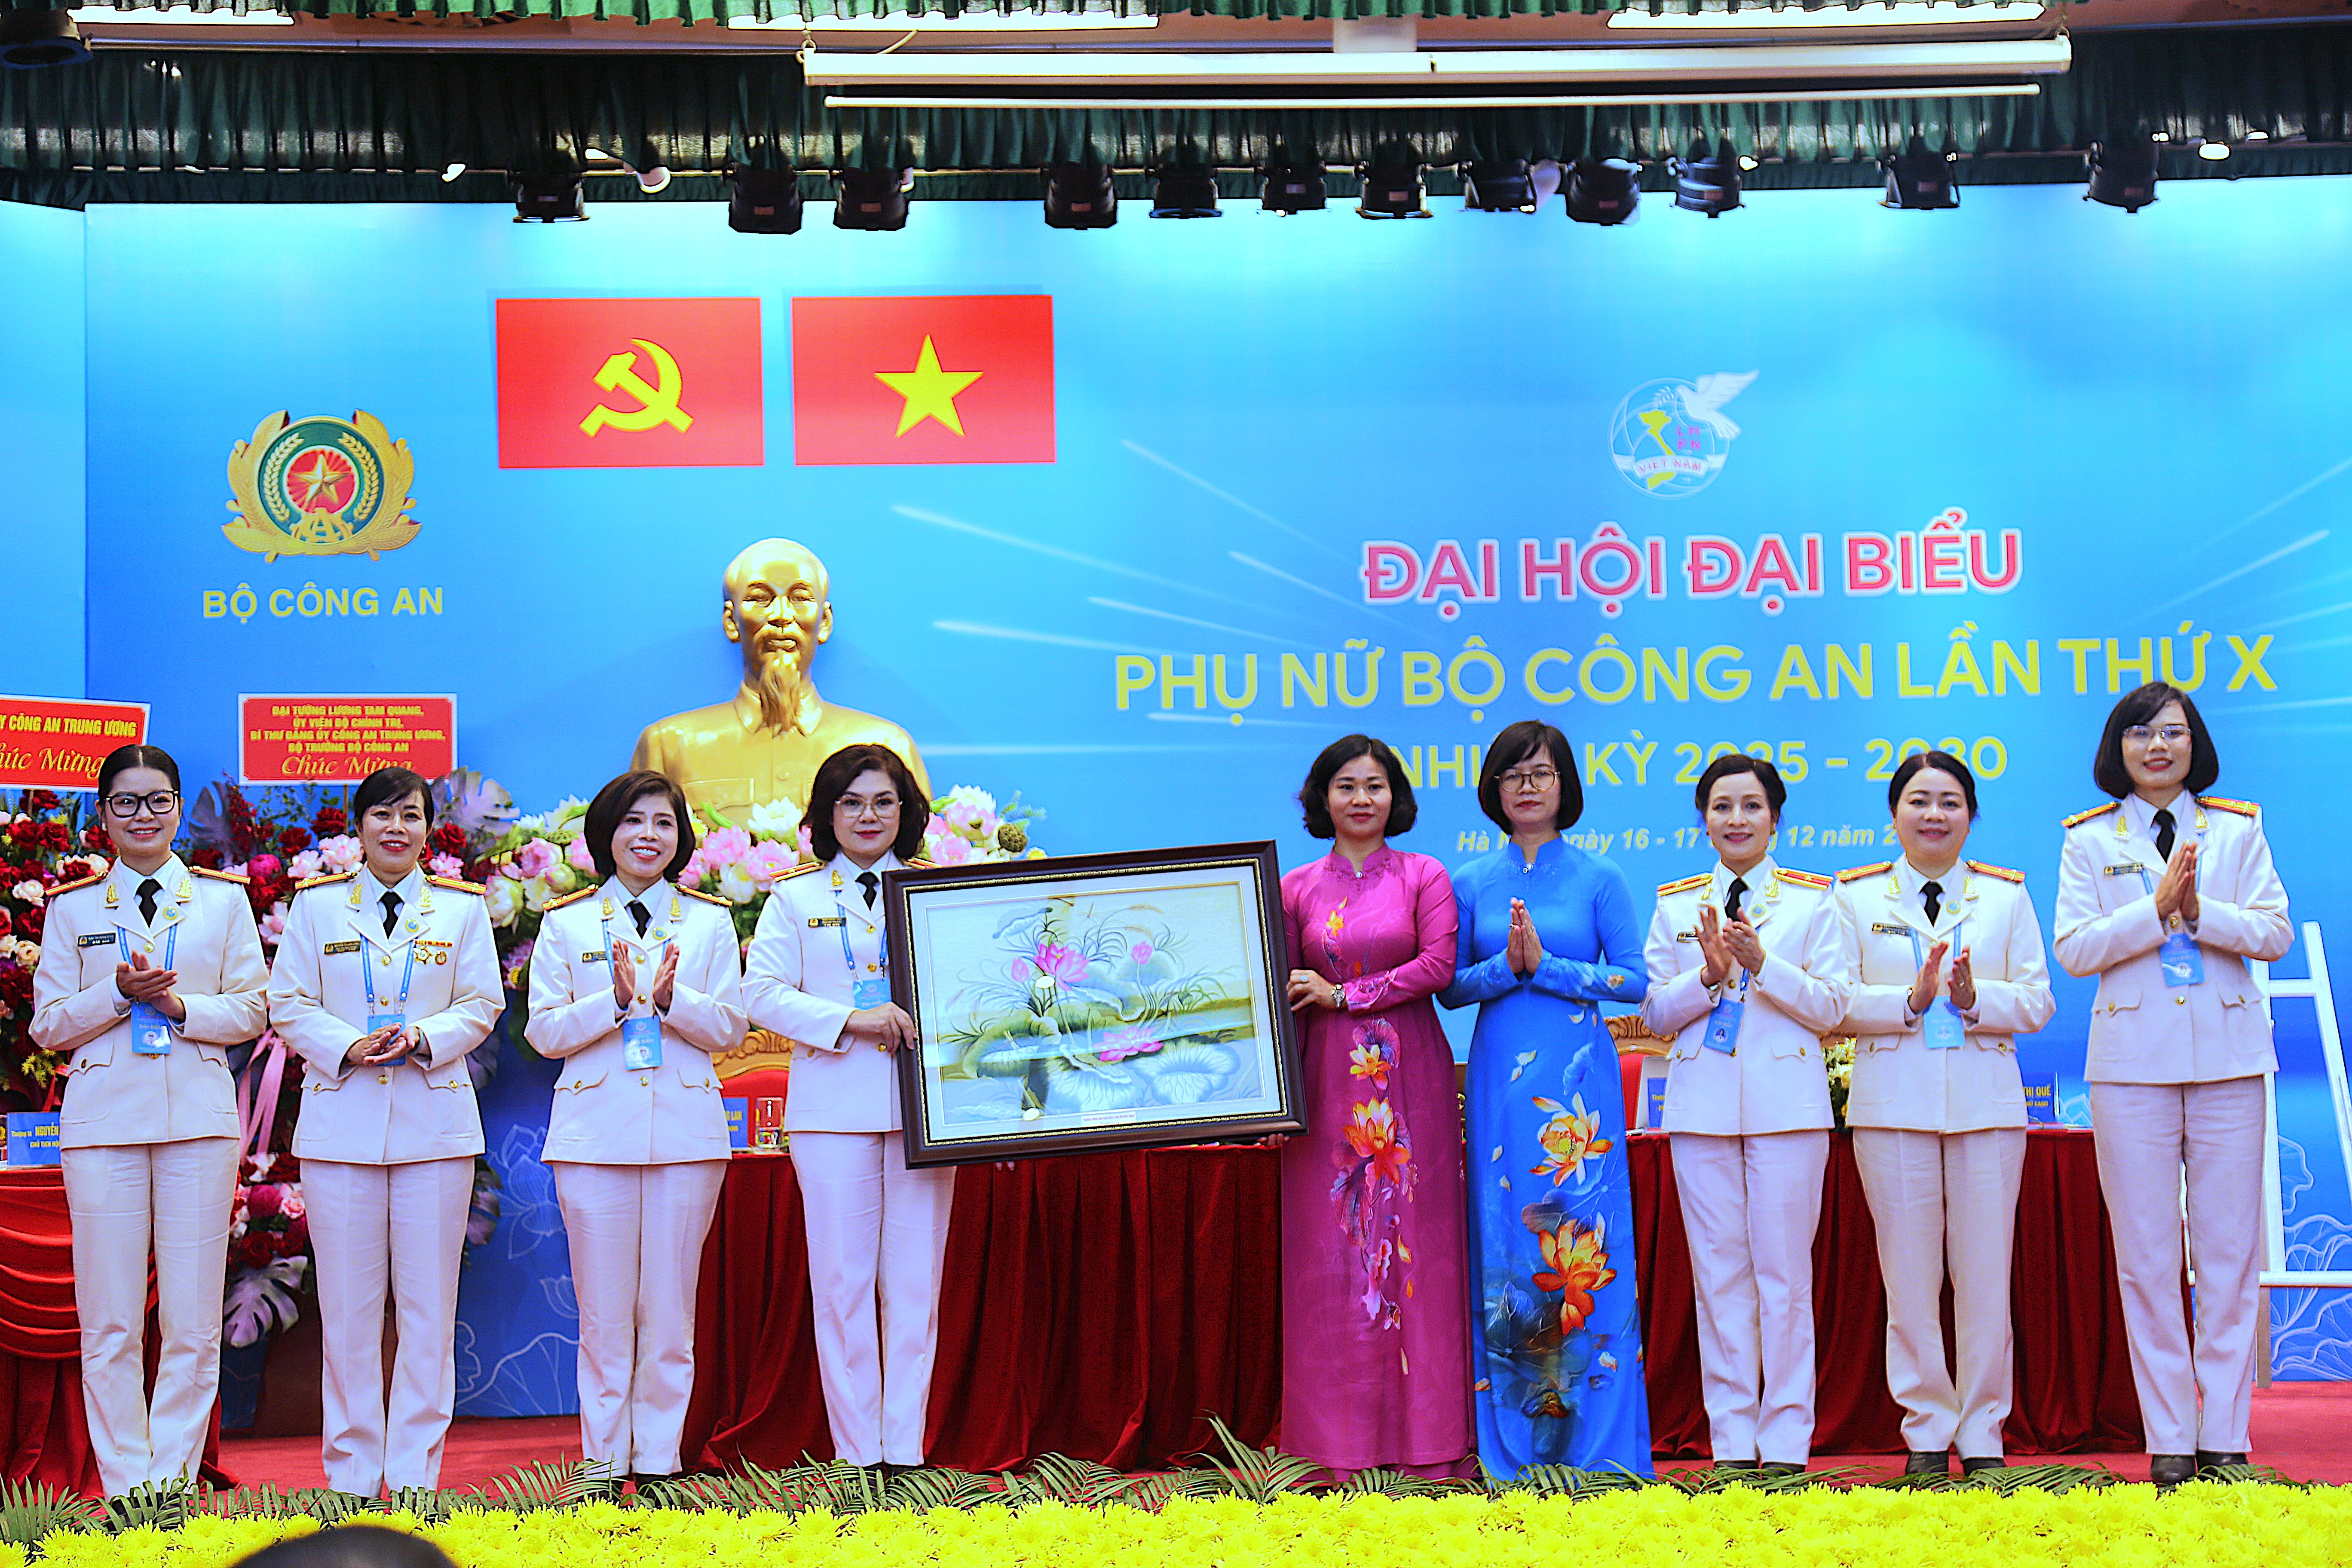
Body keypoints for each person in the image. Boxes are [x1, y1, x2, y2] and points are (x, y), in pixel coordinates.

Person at [2052, 683, 2290, 1486]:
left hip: (2228, 1059)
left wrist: (2201, 912)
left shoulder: (2237, 829)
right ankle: (2170, 1441)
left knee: (2228, 1254)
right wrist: (2154, 911)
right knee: (2148, 1258)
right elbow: (2075, 949)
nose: (2157, 746)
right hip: (2130, 1068)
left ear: (2196, 744)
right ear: (2116, 746)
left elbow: (2274, 932)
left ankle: (2224, 1439)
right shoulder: (2088, 839)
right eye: (2140, 733)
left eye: (2173, 732)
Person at [30, 744, 268, 1496]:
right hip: (102, 1126)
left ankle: (169, 1487)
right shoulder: (72, 908)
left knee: (192, 1320)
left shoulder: (222, 902)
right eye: (126, 802)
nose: (144, 815)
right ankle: (127, 1487)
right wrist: (117, 994)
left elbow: (253, 1009)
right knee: (110, 1320)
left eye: (158, 800)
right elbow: (47, 1025)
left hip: (197, 1120)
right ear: (103, 814)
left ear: (177, 808)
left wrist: (177, 1005)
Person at [265, 766, 501, 1497]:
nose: (397, 828)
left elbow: (483, 1002)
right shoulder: (318, 908)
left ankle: (415, 1476)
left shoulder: (461, 910)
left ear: (429, 828)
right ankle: (352, 1475)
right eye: (382, 815)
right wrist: (347, 1044)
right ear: (359, 827)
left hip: (435, 1127)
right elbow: (287, 1001)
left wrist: (424, 1036)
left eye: (411, 815)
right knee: (348, 1312)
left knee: (429, 1313)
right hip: (342, 1127)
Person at [1439, 720, 1651, 1478]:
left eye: (1542, 773)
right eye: (1513, 774)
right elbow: (1450, 985)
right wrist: (1506, 967)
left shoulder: (1600, 876)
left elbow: (1633, 979)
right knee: (1508, 1241)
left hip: (1577, 1088)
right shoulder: (1470, 880)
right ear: (1493, 789)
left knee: (1584, 1245)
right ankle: (1517, 1440)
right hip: (1500, 1076)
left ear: (1565, 784)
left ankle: (1598, 1443)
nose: (1527, 787)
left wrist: (1550, 967)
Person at [1834, 749, 2054, 1477]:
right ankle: (1926, 1431)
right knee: (1909, 1280)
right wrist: (1911, 1001)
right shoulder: (1855, 896)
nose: (1934, 814)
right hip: (1892, 1107)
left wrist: (1973, 999)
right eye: (1919, 801)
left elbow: (2038, 1000)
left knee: (1985, 1279)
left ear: (1971, 815)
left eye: (1950, 802)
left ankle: (1984, 1433)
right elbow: (1835, 1001)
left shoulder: (2005, 896)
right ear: (1894, 814)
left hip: (1986, 1108)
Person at [526, 771, 747, 1487]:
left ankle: (658, 1464)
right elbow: (542, 1033)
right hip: (594, 1138)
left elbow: (731, 1028)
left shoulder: (709, 922)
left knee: (670, 1314)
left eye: (663, 822)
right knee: (604, 1314)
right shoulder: (567, 922)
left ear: (680, 838)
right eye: (633, 821)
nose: (648, 835)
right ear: (607, 834)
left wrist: (673, 1000)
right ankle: (601, 1464)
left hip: (685, 1135)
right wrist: (616, 1002)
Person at [741, 742, 949, 1473]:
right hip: (831, 1109)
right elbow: (760, 994)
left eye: (884, 802)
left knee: (916, 1285)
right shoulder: (795, 899)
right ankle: (859, 1457)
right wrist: (852, 1019)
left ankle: (906, 1453)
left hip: (926, 1113)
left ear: (906, 811)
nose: (868, 815)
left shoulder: (934, 892)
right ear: (827, 814)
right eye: (852, 802)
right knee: (842, 1284)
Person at [1638, 754, 1847, 1476]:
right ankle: (1731, 1443)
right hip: (1700, 1109)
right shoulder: (1677, 904)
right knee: (1718, 1278)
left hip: (1787, 1109)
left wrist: (1762, 963)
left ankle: (1785, 1446)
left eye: (1751, 806)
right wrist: (1707, 975)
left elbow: (1832, 1006)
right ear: (1703, 819)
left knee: (1784, 1278)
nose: (1736, 819)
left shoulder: (1814, 900)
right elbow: (1654, 1013)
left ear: (1775, 818)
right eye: (1722, 806)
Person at [1278, 734, 1473, 1479]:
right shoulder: (1295, 887)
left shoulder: (1425, 874)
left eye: (1376, 786)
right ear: (1321, 798)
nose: (1362, 799)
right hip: (1326, 1081)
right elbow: (1281, 989)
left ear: (1397, 797)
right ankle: (1335, 1447)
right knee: (1332, 1251)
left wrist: (1345, 994)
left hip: (1410, 1078)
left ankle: (1428, 1444)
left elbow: (1438, 965)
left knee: (1418, 1248)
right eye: (1346, 786)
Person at [631, 538, 930, 822]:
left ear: (824, 622)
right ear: (731, 621)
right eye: (760, 599)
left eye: (800, 598)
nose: (781, 615)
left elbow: (919, 849)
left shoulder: (887, 746)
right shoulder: (670, 746)